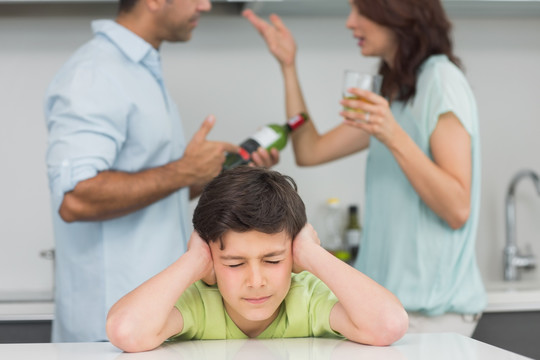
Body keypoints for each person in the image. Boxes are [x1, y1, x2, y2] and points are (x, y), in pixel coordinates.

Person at [243, 0, 486, 336]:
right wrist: (288, 67)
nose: (350, 23)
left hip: (432, 314)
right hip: (389, 307)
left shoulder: (441, 80)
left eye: (361, 11)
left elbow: (457, 208)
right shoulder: (397, 90)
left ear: (398, 13)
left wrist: (391, 132)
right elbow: (310, 150)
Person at [44, 0, 278, 343]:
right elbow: (76, 197)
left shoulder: (138, 72)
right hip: (110, 327)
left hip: (156, 316)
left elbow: (154, 192)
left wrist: (218, 173)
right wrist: (182, 171)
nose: (206, 5)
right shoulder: (95, 74)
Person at [106, 166, 408, 352]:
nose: (256, 282)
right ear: (210, 260)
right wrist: (194, 259)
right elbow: (126, 331)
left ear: (293, 255)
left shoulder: (305, 296)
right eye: (235, 264)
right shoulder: (200, 302)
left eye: (273, 260)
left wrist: (311, 253)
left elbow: (389, 324)